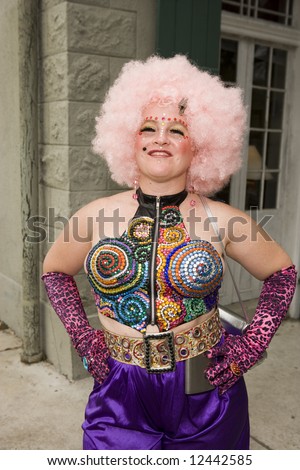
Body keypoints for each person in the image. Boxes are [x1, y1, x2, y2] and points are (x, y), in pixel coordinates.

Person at [42, 55, 297, 450]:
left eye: (176, 129)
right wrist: (84, 339)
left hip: (204, 388)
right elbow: (55, 272)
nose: (160, 137)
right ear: (131, 139)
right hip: (119, 388)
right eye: (148, 127)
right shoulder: (94, 215)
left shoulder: (223, 220)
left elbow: (282, 273)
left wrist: (249, 347)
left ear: (200, 145)